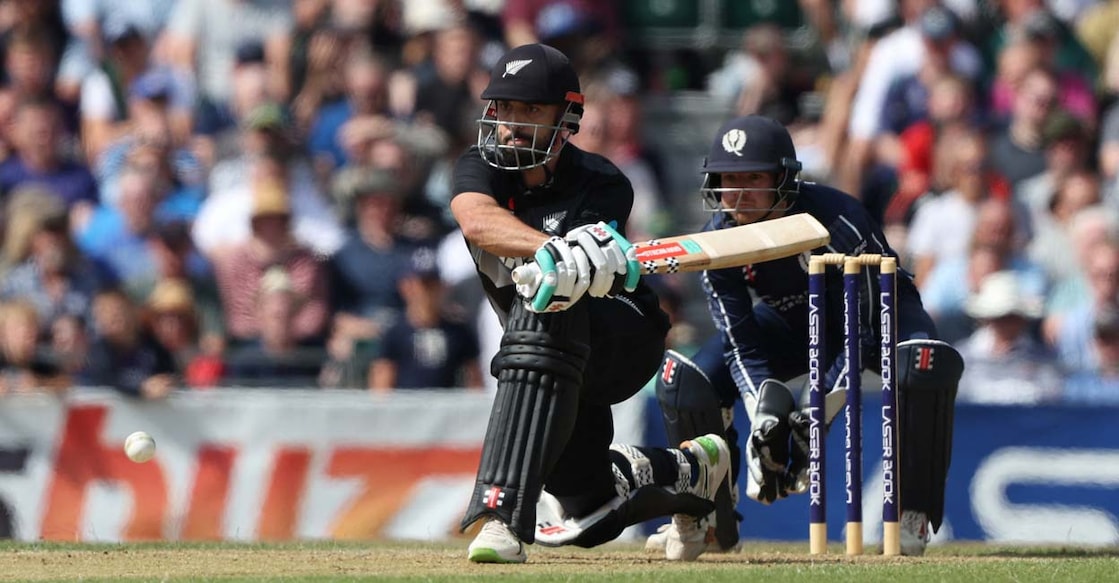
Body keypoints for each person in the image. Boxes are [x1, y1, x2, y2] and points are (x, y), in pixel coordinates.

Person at [451, 43, 731, 564]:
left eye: (530, 111)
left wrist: (568, 257)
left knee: (549, 296)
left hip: (620, 335)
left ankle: (502, 515)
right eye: (504, 109)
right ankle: (690, 470)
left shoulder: (603, 182)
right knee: (589, 509)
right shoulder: (478, 168)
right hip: (542, 366)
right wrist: (548, 247)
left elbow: (580, 273)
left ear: (568, 119)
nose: (512, 123)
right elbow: (475, 219)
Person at [647, 114, 965, 559]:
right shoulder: (716, 239)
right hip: (793, 322)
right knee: (688, 380)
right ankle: (708, 520)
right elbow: (738, 337)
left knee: (924, 364)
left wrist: (813, 414)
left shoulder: (840, 221)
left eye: (752, 177)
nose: (736, 192)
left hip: (879, 316)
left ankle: (911, 513)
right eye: (726, 179)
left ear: (784, 179)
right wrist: (765, 415)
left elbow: (865, 332)